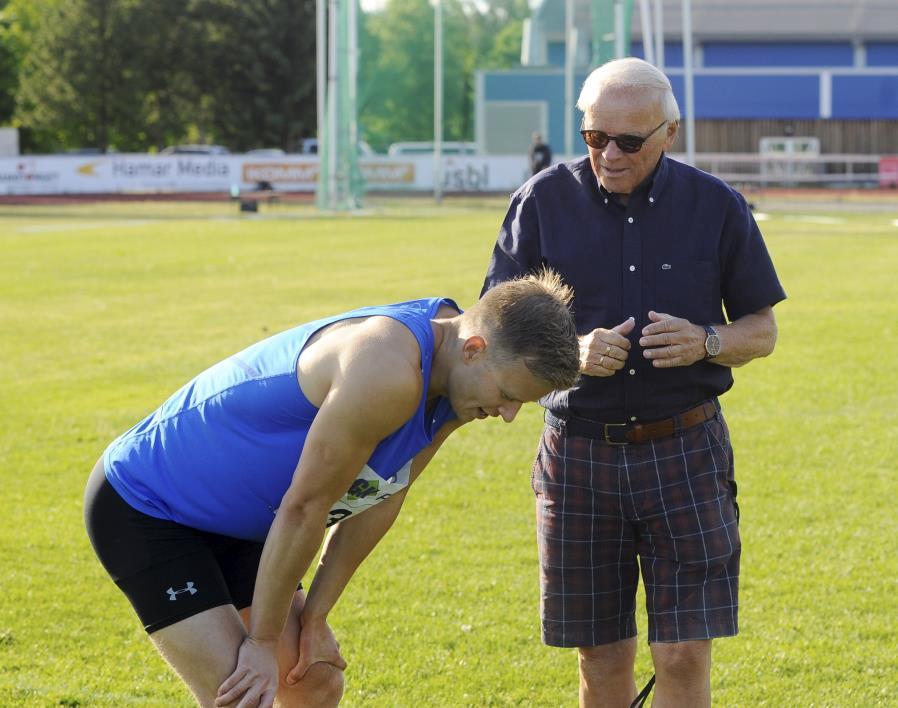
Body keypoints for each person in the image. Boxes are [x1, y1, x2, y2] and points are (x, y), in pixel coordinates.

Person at [84, 271, 580, 708]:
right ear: (475, 349)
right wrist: (261, 643)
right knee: (242, 696)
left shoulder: (459, 382)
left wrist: (316, 615)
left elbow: (384, 495)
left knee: (313, 684)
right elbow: (305, 509)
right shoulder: (386, 368)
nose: (509, 415)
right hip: (151, 504)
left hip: (247, 523)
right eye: (510, 396)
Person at [481, 57, 786, 707]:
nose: (608, 155)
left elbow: (761, 330)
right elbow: (489, 328)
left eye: (628, 141)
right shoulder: (541, 202)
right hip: (577, 453)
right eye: (594, 137)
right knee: (601, 655)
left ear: (669, 132)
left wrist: (707, 340)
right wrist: (569, 350)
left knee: (681, 655)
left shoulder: (716, 206)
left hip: (685, 451)